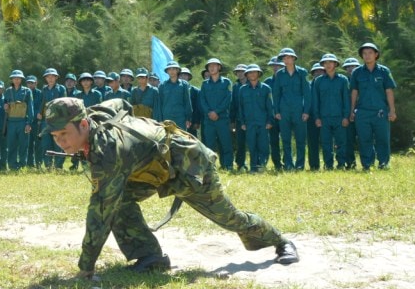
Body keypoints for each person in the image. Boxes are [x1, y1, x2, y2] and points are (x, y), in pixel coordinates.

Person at [41, 97, 299, 277]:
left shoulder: (108, 151)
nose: (61, 141)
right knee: (117, 201)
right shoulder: (95, 115)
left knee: (228, 217)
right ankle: (150, 257)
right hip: (153, 169)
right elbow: (121, 103)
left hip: (187, 165)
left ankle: (281, 241)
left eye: (64, 134)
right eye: (55, 137)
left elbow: (99, 213)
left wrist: (86, 266)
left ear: (84, 124)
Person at [350, 42, 397, 170]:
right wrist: (351, 111)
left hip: (380, 111)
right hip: (362, 112)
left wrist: (392, 110)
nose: (367, 56)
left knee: (382, 138)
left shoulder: (384, 71)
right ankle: (367, 164)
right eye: (364, 53)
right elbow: (354, 92)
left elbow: (389, 91)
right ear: (362, 56)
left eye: (370, 53)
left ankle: (383, 163)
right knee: (364, 139)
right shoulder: (357, 72)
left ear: (376, 55)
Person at [272, 49, 311, 171]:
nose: (286, 60)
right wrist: (277, 111)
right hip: (284, 111)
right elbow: (276, 94)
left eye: (289, 57)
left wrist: (306, 111)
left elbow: (307, 94)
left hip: (299, 110)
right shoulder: (279, 74)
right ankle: (288, 164)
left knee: (300, 139)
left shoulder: (302, 73)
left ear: (294, 58)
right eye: (284, 58)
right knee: (285, 139)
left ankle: (300, 165)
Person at [312, 54, 350, 170]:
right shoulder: (318, 81)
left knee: (341, 142)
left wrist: (345, 116)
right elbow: (315, 100)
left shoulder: (343, 80)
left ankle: (341, 164)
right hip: (324, 118)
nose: (328, 65)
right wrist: (317, 117)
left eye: (331, 62)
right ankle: (328, 165)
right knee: (326, 143)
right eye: (325, 62)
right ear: (323, 65)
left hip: (339, 117)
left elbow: (346, 99)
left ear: (335, 64)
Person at [237, 65, 274, 172]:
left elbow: (270, 106)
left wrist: (270, 121)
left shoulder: (266, 88)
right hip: (249, 123)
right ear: (247, 75)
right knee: (252, 145)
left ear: (258, 74)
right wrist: (242, 122)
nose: (252, 74)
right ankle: (253, 167)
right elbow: (241, 107)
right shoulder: (242, 90)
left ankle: (262, 166)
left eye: (254, 72)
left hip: (263, 122)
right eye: (249, 72)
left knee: (264, 146)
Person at [198, 58, 234, 171]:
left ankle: (227, 165)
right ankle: (210, 167)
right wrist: (209, 112)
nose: (212, 68)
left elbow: (228, 99)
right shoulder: (204, 84)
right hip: (209, 120)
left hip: (222, 118)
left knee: (226, 143)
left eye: (214, 65)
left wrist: (216, 112)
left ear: (219, 67)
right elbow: (202, 100)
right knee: (209, 144)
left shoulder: (227, 82)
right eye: (210, 66)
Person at [3, 70, 34, 170]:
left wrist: (29, 123)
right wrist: (5, 106)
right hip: (11, 122)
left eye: (19, 78)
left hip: (22, 122)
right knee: (11, 145)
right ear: (12, 79)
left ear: (21, 79)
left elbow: (30, 108)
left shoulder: (27, 91)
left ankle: (22, 165)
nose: (16, 80)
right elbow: (4, 106)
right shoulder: (7, 91)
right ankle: (12, 165)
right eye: (14, 78)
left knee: (23, 145)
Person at [39, 68, 67, 168]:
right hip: (45, 120)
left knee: (58, 143)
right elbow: (42, 103)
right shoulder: (44, 89)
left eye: (52, 77)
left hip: (58, 120)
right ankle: (48, 166)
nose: (50, 79)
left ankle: (58, 166)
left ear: (56, 78)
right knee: (46, 144)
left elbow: (64, 103)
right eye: (48, 77)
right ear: (45, 78)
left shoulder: (61, 89)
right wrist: (39, 113)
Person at [158, 61, 192, 131]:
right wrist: (160, 120)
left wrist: (188, 118)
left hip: (180, 118)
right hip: (166, 118)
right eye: (169, 69)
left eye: (174, 69)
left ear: (178, 70)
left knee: (181, 140)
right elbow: (160, 104)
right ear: (167, 71)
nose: (172, 71)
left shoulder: (184, 85)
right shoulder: (162, 86)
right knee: (167, 140)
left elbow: (187, 102)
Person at [263, 58, 284, 170]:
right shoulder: (267, 82)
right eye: (274, 65)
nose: (276, 67)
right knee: (273, 141)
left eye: (278, 65)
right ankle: (277, 163)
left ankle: (288, 162)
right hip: (272, 117)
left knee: (286, 141)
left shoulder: (286, 80)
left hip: (285, 115)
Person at [341, 57, 361, 169]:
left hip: (362, 113)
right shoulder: (344, 82)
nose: (351, 69)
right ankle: (350, 164)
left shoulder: (362, 79)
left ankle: (369, 163)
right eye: (348, 67)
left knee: (365, 139)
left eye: (354, 66)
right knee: (348, 140)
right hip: (348, 115)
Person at [306, 63, 326, 170]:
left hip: (325, 117)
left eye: (321, 71)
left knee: (327, 142)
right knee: (312, 143)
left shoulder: (327, 84)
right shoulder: (308, 85)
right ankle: (314, 165)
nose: (318, 73)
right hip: (311, 118)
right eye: (316, 71)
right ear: (312, 74)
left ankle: (329, 164)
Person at [180, 68, 202, 139]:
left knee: (192, 141)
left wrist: (197, 121)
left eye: (185, 75)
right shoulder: (175, 90)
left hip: (192, 121)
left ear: (189, 77)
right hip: (179, 120)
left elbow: (197, 108)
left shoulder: (195, 91)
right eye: (181, 75)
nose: (183, 77)